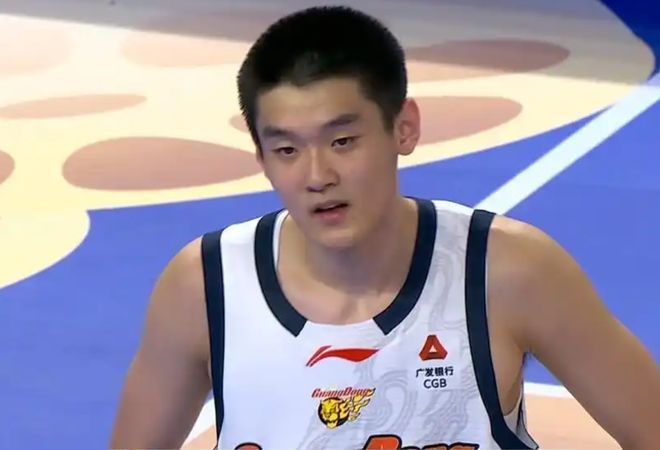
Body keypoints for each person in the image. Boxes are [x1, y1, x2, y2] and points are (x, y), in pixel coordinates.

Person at [109, 6, 659, 450]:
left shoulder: (509, 272)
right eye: (286, 149)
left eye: (342, 141)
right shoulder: (204, 286)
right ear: (261, 157)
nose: (317, 176)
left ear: (404, 127)